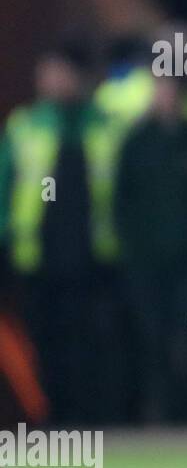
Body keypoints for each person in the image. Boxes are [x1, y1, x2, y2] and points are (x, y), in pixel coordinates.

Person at [0, 41, 131, 425]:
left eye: (61, 72)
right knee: (44, 343)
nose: (54, 81)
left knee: (94, 343)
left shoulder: (107, 127)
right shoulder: (24, 127)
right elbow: (6, 185)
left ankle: (95, 419)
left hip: (96, 257)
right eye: (48, 72)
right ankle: (50, 421)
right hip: (37, 257)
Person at [114, 72, 187, 423]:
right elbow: (123, 203)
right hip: (148, 266)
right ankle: (161, 415)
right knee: (154, 339)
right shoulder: (136, 143)